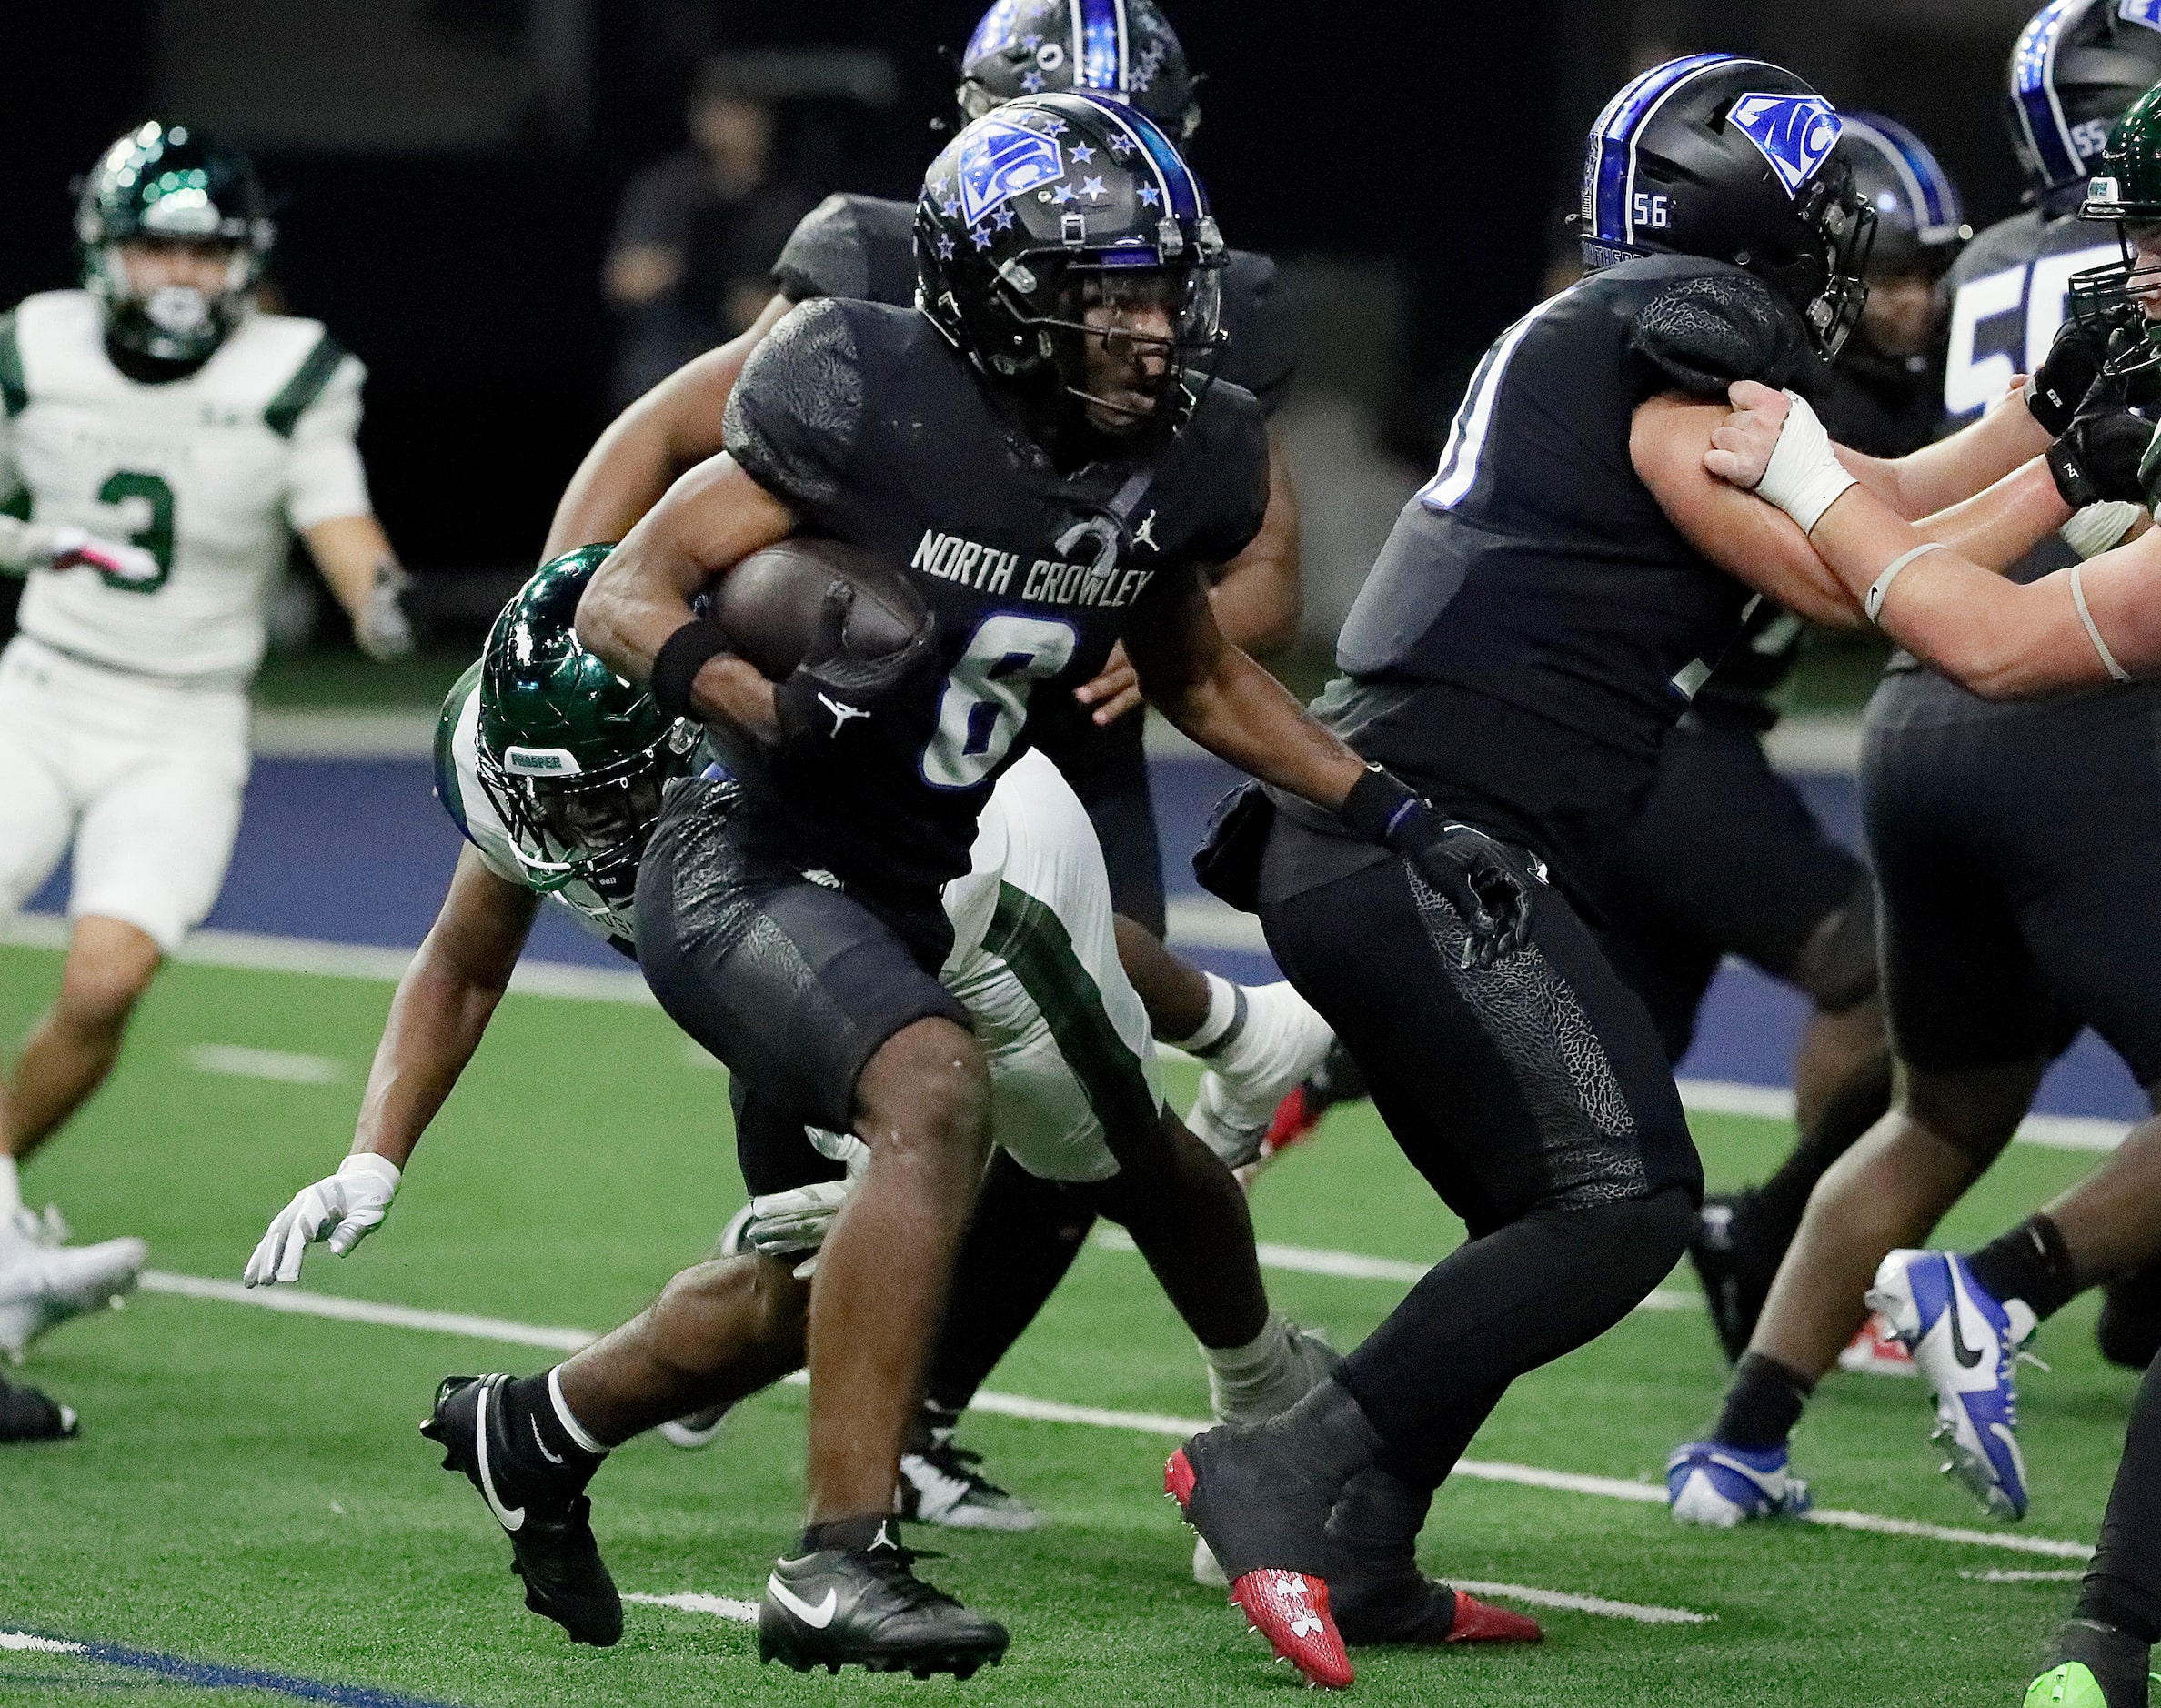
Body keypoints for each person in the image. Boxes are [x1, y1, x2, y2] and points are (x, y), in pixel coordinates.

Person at [566, 95, 1516, 1680]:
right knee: (915, 1125)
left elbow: (1204, 674)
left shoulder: (1191, 448)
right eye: (1112, 292)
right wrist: (773, 705)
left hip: (951, 865)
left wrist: (1404, 814)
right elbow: (629, 587)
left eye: (1161, 287)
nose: (1153, 324)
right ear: (1000, 293)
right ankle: (838, 1545)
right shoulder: (861, 386)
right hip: (767, 852)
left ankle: (552, 1430)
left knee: (1021, 1172)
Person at [545, 0, 1334, 1532]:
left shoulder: (1206, 295)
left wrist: (1163, 630)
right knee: (831, 1075)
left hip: (1059, 711)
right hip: (861, 702)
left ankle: (922, 1411)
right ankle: (768, 1320)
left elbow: (1267, 583)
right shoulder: (871, 266)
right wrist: (569, 605)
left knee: (1085, 1094)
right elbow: (669, 429)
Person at [247, 540, 1350, 1635]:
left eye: (610, 800)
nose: (577, 836)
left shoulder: (794, 755)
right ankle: (538, 1428)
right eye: (558, 804)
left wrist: (881, 1134)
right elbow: (463, 960)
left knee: (1111, 1156)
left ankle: (1263, 1393)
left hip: (975, 893)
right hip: (792, 962)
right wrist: (372, 1152)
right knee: (810, 1284)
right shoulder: (538, 749)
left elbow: (938, 921)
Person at [1162, 54, 1885, 1689]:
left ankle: (1361, 1541)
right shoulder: (1669, 353)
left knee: (1533, 1201)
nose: (1837, 252)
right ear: (1736, 231)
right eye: (1817, 215)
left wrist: (2049, 440)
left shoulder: (1605, 340)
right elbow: (1859, 579)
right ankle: (1280, 1463)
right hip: (1434, 841)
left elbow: (1880, 518)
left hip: (1387, 837)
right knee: (1624, 1201)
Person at [1666, 0, 2161, 1532]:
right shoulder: (2112, 322)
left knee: (1940, 1108)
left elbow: (1925, 507)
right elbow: (2023, 617)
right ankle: (2004, 1287)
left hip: (1917, 700)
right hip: (2081, 700)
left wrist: (1813, 482)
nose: (2133, 258)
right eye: (2136, 231)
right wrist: (1810, 474)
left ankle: (1740, 1438)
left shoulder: (2044, 282)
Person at [0, 121, 413, 1382]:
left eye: (205, 249)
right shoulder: (37, 344)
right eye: (156, 246)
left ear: (246, 262)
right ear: (105, 252)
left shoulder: (294, 368)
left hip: (185, 719)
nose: (180, 273)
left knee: (108, 981)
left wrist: (377, 592)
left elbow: (333, 506)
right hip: (45, 685)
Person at [1613, 111, 1967, 1368]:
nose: (1912, 305)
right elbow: (1865, 571)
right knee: (1880, 969)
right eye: (1885, 275)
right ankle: (1798, 1241)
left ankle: (1760, 1245)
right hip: (1662, 739)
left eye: (1930, 275)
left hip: (1702, 736)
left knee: (1619, 1113)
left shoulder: (1869, 389)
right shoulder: (1764, 384)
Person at [604, 57, 818, 409]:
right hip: (662, 373)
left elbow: (807, 314)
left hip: (744, 382)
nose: (728, 124)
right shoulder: (665, 189)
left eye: (742, 112)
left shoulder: (786, 207)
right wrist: (689, 265)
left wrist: (748, 304)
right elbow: (622, 281)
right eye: (719, 109)